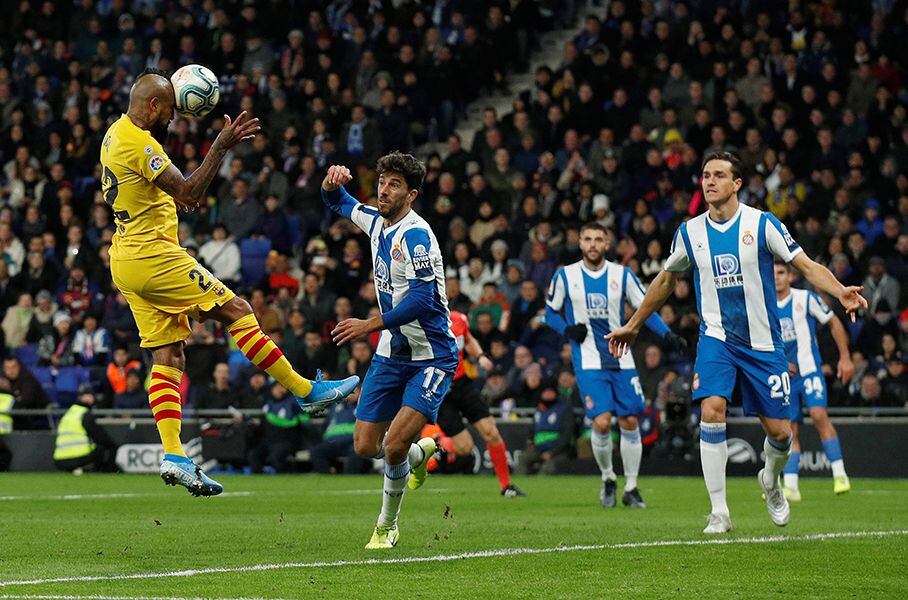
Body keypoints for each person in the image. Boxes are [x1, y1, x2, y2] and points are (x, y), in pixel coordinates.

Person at [99, 68, 359, 496]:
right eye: (169, 109)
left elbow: (155, 190)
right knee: (238, 310)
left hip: (125, 258)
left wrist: (168, 199)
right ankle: (305, 390)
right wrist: (220, 146)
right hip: (153, 256)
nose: (174, 117)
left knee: (169, 353)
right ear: (152, 106)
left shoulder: (115, 133)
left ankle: (174, 454)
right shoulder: (140, 143)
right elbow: (190, 193)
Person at [606, 152, 867, 533]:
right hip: (717, 340)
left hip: (763, 345)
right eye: (705, 175)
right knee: (712, 409)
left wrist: (840, 290)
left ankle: (771, 481)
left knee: (780, 434)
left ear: (737, 184)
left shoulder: (762, 224)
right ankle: (719, 512)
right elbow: (665, 280)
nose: (709, 182)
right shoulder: (690, 232)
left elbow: (806, 265)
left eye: (718, 175)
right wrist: (633, 324)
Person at [322, 153, 458, 549]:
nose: (384, 189)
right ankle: (419, 455)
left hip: (431, 355)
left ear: (411, 194)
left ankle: (386, 526)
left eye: (395, 184)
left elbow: (422, 301)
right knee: (365, 446)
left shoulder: (416, 236)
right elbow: (337, 202)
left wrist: (367, 324)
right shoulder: (375, 221)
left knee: (392, 445)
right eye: (382, 181)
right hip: (391, 353)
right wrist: (332, 182)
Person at [545, 222, 687, 509]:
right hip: (588, 361)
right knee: (601, 422)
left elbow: (645, 307)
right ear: (581, 243)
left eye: (599, 239)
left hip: (622, 360)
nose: (593, 244)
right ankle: (608, 477)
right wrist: (567, 330)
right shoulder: (565, 275)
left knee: (630, 421)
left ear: (607, 244)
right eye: (588, 239)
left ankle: (631, 486)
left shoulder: (622, 275)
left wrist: (667, 334)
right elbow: (550, 313)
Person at [774, 261, 854, 500]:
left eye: (781, 273)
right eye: (773, 274)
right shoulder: (765, 304)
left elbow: (833, 322)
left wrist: (845, 358)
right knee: (790, 430)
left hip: (809, 371)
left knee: (819, 415)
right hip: (784, 378)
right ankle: (791, 486)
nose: (776, 278)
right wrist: (776, 364)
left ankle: (840, 474)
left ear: (790, 276)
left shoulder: (805, 299)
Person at [437, 310, 525, 497]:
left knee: (491, 432)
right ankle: (435, 443)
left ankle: (506, 486)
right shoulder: (422, 320)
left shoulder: (458, 319)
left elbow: (467, 339)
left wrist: (481, 356)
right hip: (439, 389)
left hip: (462, 384)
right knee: (465, 448)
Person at [54, 391, 118, 473]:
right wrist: (114, 445)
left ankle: (75, 469)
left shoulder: (68, 414)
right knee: (103, 448)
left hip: (59, 459)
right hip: (79, 458)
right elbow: (100, 437)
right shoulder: (84, 414)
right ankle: (100, 472)